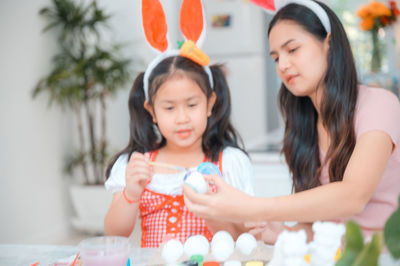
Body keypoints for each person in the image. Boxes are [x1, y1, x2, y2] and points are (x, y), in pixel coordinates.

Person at [183, 0, 400, 243]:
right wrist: (281, 233)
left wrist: (251, 207)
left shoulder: (380, 104)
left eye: (293, 49)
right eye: (276, 58)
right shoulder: (304, 127)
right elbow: (317, 229)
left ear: (328, 43)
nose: (283, 65)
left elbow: (353, 196)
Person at [103, 53, 255, 247]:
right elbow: (115, 233)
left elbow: (245, 238)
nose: (182, 118)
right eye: (169, 108)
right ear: (152, 111)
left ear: (209, 104)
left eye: (192, 105)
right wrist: (130, 193)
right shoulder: (136, 165)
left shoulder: (230, 162)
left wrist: (212, 210)